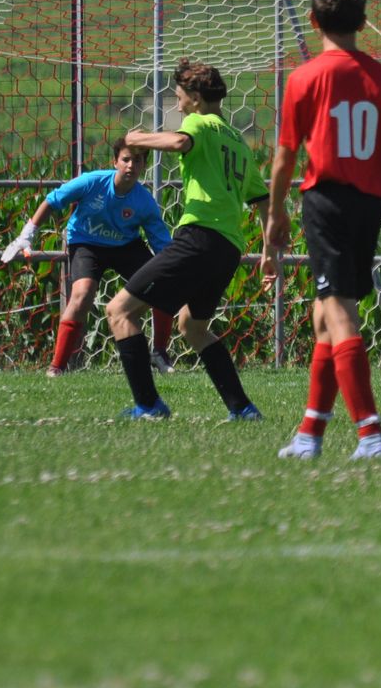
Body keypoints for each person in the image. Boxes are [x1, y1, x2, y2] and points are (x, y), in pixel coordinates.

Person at [261, 0, 381, 461]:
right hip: (370, 206)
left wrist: (275, 214)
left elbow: (285, 157)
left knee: (338, 313)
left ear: (314, 22)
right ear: (362, 22)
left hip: (327, 203)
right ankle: (309, 435)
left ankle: (370, 435)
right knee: (324, 318)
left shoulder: (305, 78)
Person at [102, 60, 270, 421]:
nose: (178, 105)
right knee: (192, 327)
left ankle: (148, 405)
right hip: (228, 248)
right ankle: (242, 408)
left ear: (195, 98)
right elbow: (262, 200)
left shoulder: (199, 123)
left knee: (119, 311)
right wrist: (270, 252)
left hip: (199, 238)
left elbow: (180, 141)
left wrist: (135, 138)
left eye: (179, 98)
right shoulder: (239, 143)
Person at [1, 139, 174, 378]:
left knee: (162, 285)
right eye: (125, 159)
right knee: (82, 295)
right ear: (115, 162)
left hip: (125, 246)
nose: (131, 165)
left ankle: (159, 353)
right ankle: (56, 368)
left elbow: (162, 245)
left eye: (137, 161)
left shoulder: (144, 202)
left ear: (144, 165)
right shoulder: (92, 182)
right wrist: (26, 235)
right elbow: (52, 200)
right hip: (86, 243)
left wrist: (177, 268)